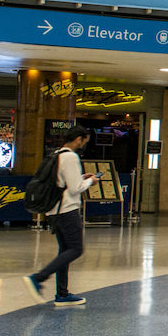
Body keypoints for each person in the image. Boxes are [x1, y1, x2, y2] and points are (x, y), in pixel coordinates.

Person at [22, 125, 98, 307]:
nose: (83, 145)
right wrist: (90, 181)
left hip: (54, 211)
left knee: (65, 251)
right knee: (76, 249)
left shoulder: (56, 154)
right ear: (78, 139)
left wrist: (81, 177)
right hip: (67, 210)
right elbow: (75, 188)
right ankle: (38, 277)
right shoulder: (71, 157)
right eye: (84, 141)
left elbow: (63, 181)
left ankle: (62, 294)